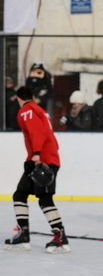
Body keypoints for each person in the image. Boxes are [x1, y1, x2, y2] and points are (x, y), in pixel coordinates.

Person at [4, 86, 70, 253]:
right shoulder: (38, 109)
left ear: (19, 99)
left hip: (42, 160)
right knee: (20, 194)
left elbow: (37, 132)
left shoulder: (26, 110)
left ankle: (60, 236)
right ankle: (23, 233)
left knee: (45, 198)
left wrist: (37, 154)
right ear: (32, 96)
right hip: (43, 158)